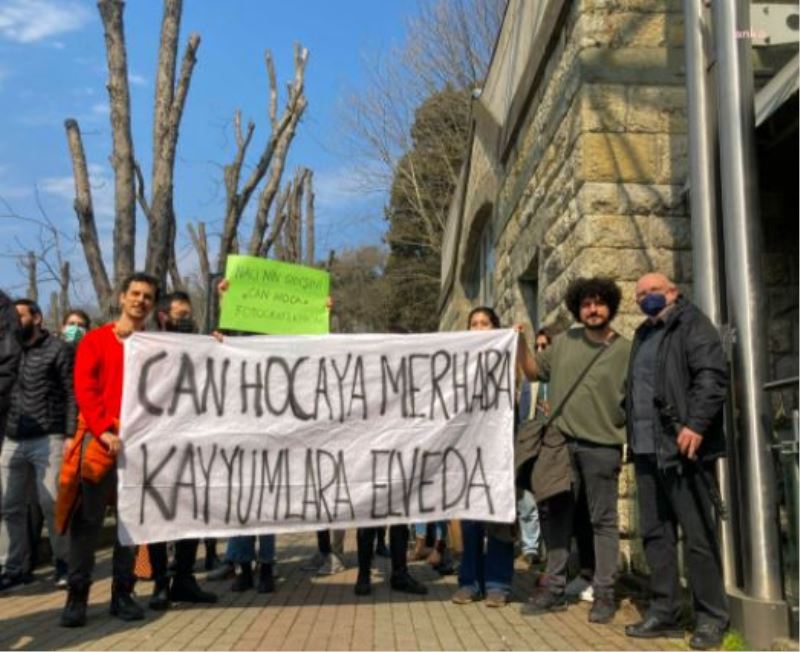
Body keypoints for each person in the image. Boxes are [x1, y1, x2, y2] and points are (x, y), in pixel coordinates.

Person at [623, 273, 729, 651]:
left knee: (698, 537)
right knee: (655, 536)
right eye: (640, 294)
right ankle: (665, 611)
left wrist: (697, 425)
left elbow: (712, 377)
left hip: (683, 449)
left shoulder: (693, 325)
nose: (647, 298)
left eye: (654, 291)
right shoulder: (642, 334)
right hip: (647, 450)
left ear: (673, 292)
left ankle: (711, 618)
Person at [517, 277, 630, 623]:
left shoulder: (627, 350)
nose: (592, 309)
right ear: (577, 308)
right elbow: (535, 372)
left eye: (598, 303)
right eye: (586, 304)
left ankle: (605, 592)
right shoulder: (564, 342)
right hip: (560, 445)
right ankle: (552, 587)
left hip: (602, 447)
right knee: (557, 518)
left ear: (610, 305)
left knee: (603, 521)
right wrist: (519, 341)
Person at [60, 272, 160, 627]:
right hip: (100, 444)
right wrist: (103, 430)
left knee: (130, 523)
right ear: (122, 297)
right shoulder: (94, 341)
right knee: (87, 523)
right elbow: (85, 389)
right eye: (135, 293)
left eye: (147, 296)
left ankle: (123, 593)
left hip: (139, 448)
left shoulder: (154, 345)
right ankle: (77, 597)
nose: (140, 301)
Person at [146, 291, 217, 610]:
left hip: (195, 441)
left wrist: (219, 343)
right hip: (158, 443)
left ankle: (184, 579)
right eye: (180, 315)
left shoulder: (199, 345)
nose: (186, 320)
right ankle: (160, 583)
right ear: (163, 316)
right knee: (161, 514)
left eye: (189, 315)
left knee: (191, 513)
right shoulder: (145, 346)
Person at [0, 299, 75, 590]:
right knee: (8, 505)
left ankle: (65, 563)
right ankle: (13, 567)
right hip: (11, 437)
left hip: (49, 436)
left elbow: (71, 394)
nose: (14, 321)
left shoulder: (58, 349)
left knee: (52, 503)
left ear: (38, 318)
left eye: (20, 315)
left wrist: (69, 435)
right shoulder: (8, 350)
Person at [451, 306, 515, 608]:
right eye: (473, 324)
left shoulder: (507, 360)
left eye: (484, 323)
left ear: (495, 327)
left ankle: (498, 584)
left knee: (500, 520)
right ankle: (469, 582)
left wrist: (517, 342)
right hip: (466, 453)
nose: (479, 328)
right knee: (471, 523)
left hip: (499, 453)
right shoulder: (456, 365)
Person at [515, 328, 551, 568]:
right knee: (526, 500)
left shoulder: (558, 375)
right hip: (527, 441)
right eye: (536, 346)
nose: (540, 350)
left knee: (548, 500)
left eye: (544, 346)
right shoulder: (527, 378)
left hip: (550, 443)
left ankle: (549, 550)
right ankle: (530, 548)